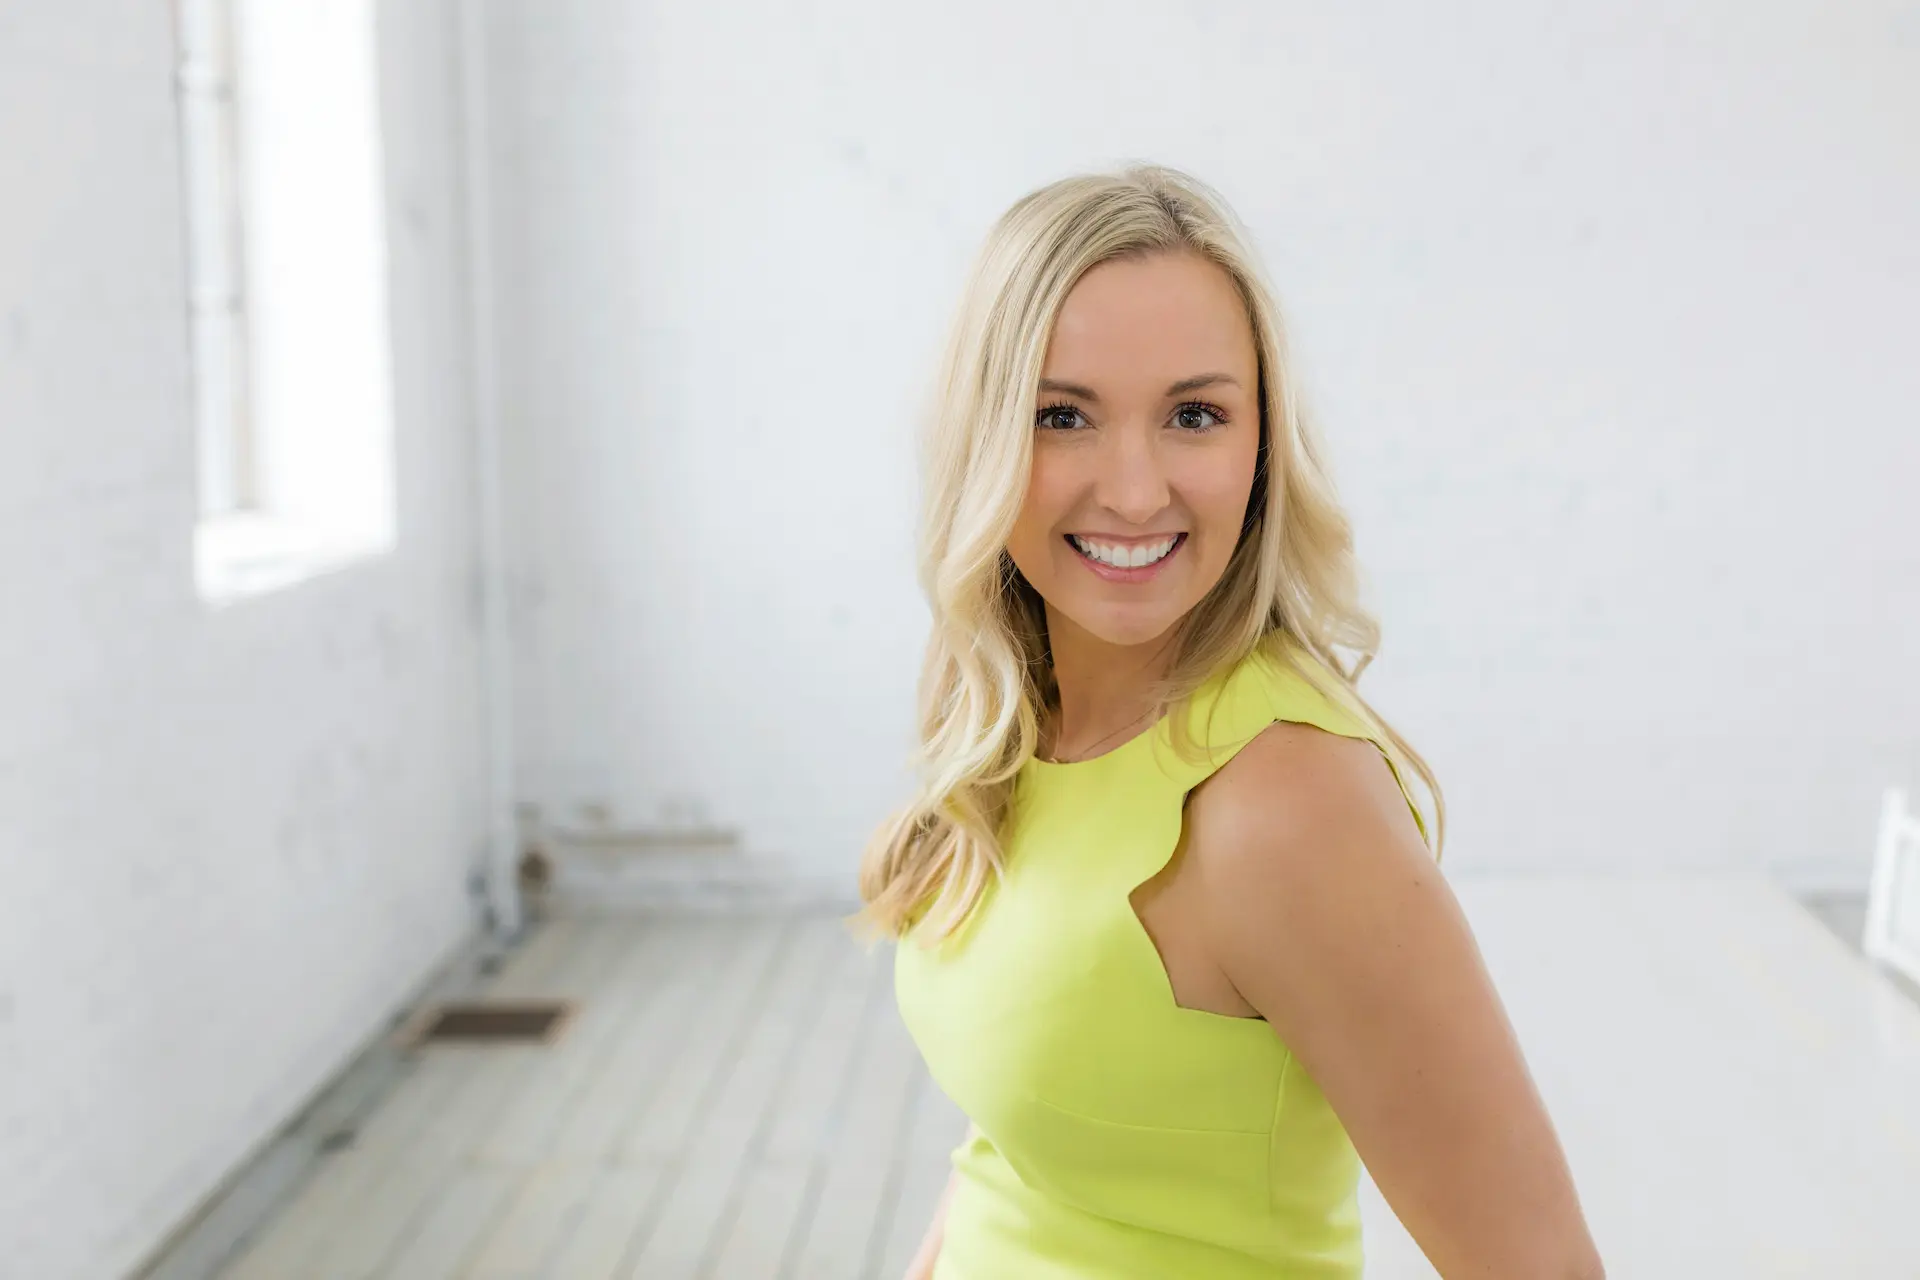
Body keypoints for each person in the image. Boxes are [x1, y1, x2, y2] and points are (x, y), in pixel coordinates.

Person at [853, 163, 1603, 1280]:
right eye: (1063, 416)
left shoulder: (1285, 802)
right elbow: (1015, 1150)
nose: (1135, 489)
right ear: (988, 434)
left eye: (1193, 415)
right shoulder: (1023, 723)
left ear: (1261, 445)